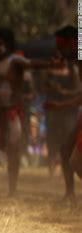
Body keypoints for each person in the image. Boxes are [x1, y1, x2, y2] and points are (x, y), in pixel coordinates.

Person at [0, 28, 61, 196]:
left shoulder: (15, 61)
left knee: (13, 149)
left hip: (11, 114)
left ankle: (12, 190)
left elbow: (32, 63)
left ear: (7, 44)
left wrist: (51, 62)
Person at [44, 25, 81, 204]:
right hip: (67, 112)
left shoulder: (78, 64)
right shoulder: (75, 63)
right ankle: (70, 193)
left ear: (72, 44)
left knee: (73, 157)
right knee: (66, 151)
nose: (58, 49)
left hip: (71, 112)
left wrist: (61, 102)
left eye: (61, 45)